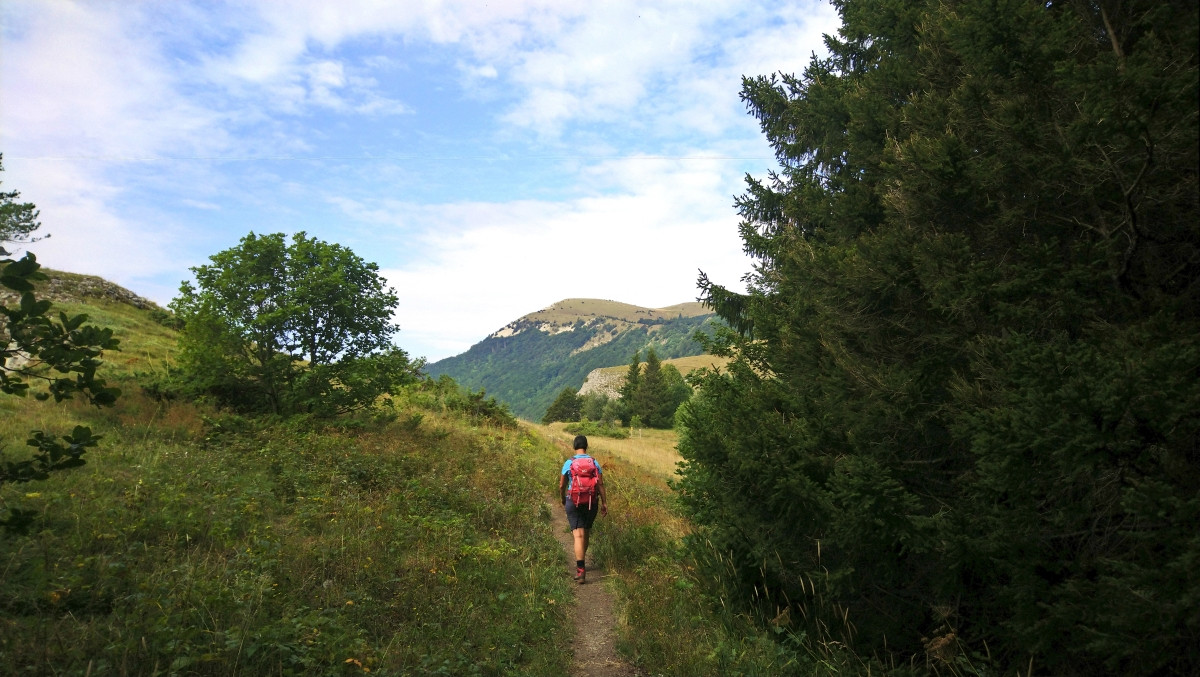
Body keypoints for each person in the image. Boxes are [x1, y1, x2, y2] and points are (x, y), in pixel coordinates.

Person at [559, 435, 608, 583]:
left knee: (578, 536)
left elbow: (562, 485)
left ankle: (581, 570)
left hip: (573, 501)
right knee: (585, 531)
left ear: (574, 446)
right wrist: (604, 503)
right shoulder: (594, 462)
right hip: (591, 502)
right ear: (586, 446)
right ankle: (582, 558)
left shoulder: (569, 462)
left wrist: (563, 498)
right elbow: (600, 484)